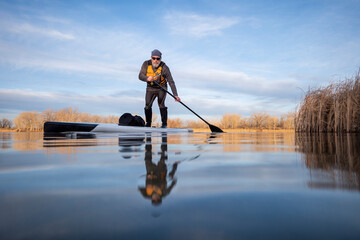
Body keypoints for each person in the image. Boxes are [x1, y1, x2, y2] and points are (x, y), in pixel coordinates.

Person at [138, 49, 180, 128]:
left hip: (162, 88)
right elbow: (140, 76)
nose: (155, 60)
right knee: (147, 105)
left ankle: (164, 124)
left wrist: (175, 95)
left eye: (158, 59)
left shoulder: (164, 67)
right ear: (151, 58)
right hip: (150, 88)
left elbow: (171, 81)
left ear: (160, 59)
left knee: (161, 104)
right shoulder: (146, 64)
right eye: (154, 58)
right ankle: (148, 123)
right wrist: (147, 78)